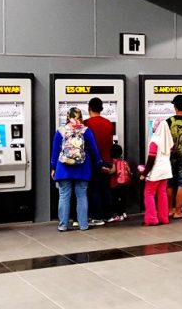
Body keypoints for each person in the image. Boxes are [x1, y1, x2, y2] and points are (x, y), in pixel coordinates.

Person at [51, 107, 103, 232]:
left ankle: (63, 225)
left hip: (63, 168)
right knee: (81, 196)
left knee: (63, 196)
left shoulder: (61, 131)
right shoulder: (86, 131)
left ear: (67, 117)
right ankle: (83, 225)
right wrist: (99, 162)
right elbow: (94, 149)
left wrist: (53, 167)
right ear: (80, 117)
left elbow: (55, 152)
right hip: (82, 167)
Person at [83, 97, 114, 226]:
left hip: (93, 161)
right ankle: (108, 215)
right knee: (105, 188)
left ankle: (97, 217)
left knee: (94, 189)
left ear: (89, 108)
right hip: (107, 160)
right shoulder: (109, 123)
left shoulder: (85, 124)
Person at [141, 118, 173, 226]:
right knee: (162, 193)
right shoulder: (167, 140)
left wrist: (144, 173)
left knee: (148, 193)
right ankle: (164, 218)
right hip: (166, 170)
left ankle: (151, 218)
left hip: (156, 171)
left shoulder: (155, 140)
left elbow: (151, 159)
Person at [106, 143, 131, 223]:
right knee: (123, 199)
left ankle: (118, 215)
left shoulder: (115, 161)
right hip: (125, 184)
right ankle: (124, 213)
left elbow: (113, 171)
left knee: (116, 200)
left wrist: (108, 171)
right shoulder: (124, 162)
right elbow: (129, 171)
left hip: (116, 184)